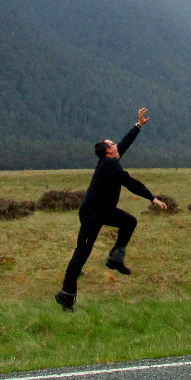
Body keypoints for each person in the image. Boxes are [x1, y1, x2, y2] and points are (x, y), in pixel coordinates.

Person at [55, 107, 167, 311]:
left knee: (129, 221)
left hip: (104, 211)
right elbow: (130, 183)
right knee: (82, 253)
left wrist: (138, 125)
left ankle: (115, 258)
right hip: (92, 215)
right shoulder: (110, 165)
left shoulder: (111, 159)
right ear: (108, 150)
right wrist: (152, 198)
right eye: (112, 143)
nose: (116, 144)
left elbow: (125, 143)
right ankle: (66, 295)